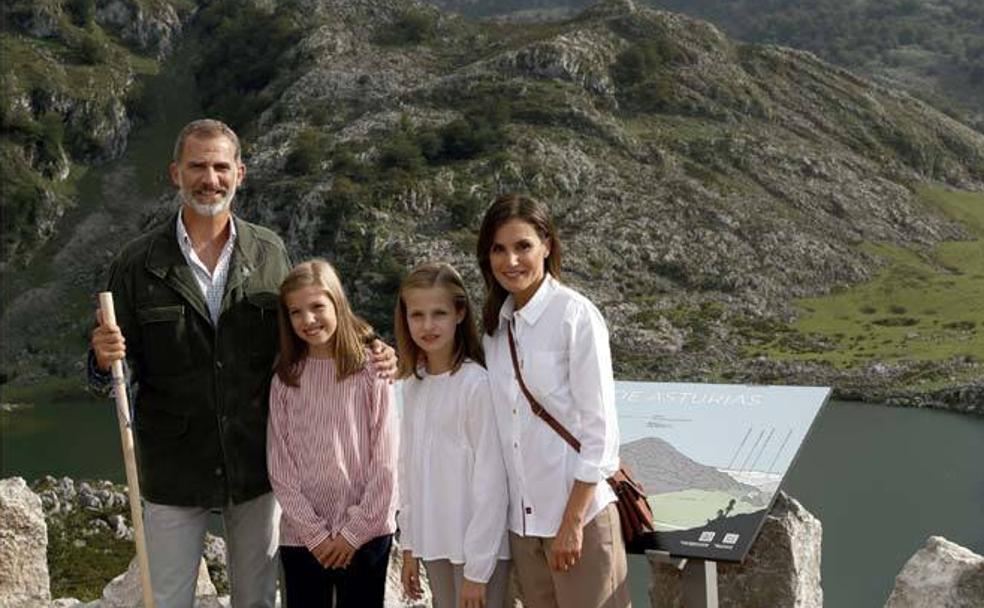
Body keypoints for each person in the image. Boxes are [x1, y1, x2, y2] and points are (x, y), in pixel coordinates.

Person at [88, 119, 395, 608]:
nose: (209, 178)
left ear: (240, 173)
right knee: (168, 599)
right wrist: (102, 361)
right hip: (173, 466)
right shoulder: (136, 263)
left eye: (220, 166)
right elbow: (115, 369)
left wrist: (372, 342)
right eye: (197, 166)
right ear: (175, 173)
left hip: (256, 462)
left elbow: (311, 318)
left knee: (257, 600)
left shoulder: (269, 252)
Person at [475, 194, 629, 608]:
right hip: (524, 530)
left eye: (523, 246)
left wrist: (572, 523)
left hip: (577, 521)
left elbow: (601, 434)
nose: (511, 261)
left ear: (547, 244)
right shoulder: (494, 329)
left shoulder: (574, 316)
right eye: (499, 249)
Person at [267, 259, 398, 607]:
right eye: (296, 312)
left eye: (317, 307)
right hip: (302, 539)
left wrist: (352, 534)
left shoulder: (373, 370)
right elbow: (280, 469)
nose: (308, 320)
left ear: (337, 304)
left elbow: (386, 463)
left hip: (367, 535)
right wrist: (315, 535)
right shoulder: (285, 379)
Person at [394, 262, 510, 608]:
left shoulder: (477, 384)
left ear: (460, 313)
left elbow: (492, 482)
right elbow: (409, 471)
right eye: (417, 315)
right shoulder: (413, 384)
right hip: (434, 544)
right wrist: (410, 545)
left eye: (439, 313)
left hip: (478, 555)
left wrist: (477, 571)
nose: (428, 326)